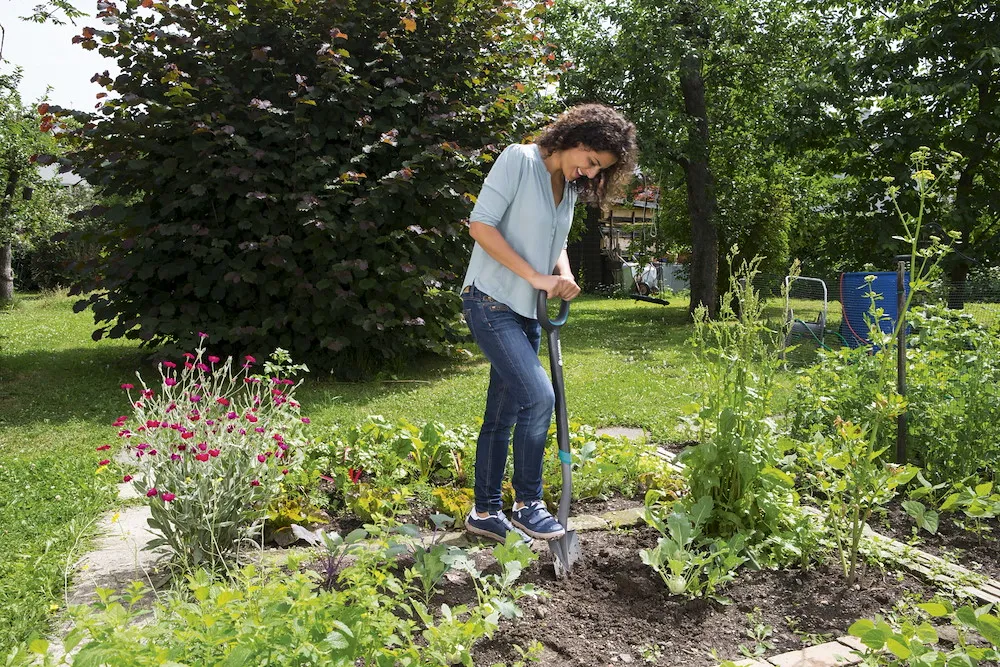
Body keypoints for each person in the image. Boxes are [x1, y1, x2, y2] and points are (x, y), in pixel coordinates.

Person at [460, 104, 638, 543]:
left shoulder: (570, 187)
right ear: (576, 138)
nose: (591, 172)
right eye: (592, 160)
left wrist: (564, 272)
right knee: (540, 397)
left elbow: (555, 241)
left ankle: (484, 512)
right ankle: (529, 503)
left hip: (529, 308)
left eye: (600, 170)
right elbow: (480, 226)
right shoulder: (518, 160)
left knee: (500, 415)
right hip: (490, 299)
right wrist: (535, 276)